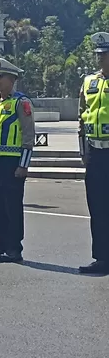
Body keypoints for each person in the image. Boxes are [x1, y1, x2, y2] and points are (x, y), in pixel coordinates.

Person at [0, 58, 35, 263]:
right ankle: (0, 243)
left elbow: (29, 135)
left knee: (11, 204)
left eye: (0, 77)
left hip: (12, 162)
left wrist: (24, 164)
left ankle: (14, 246)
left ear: (11, 79)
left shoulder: (21, 102)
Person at [78, 33, 109, 274]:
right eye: (98, 55)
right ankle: (101, 257)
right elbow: (82, 117)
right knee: (97, 207)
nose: (100, 60)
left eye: (105, 55)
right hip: (95, 154)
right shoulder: (89, 82)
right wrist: (84, 152)